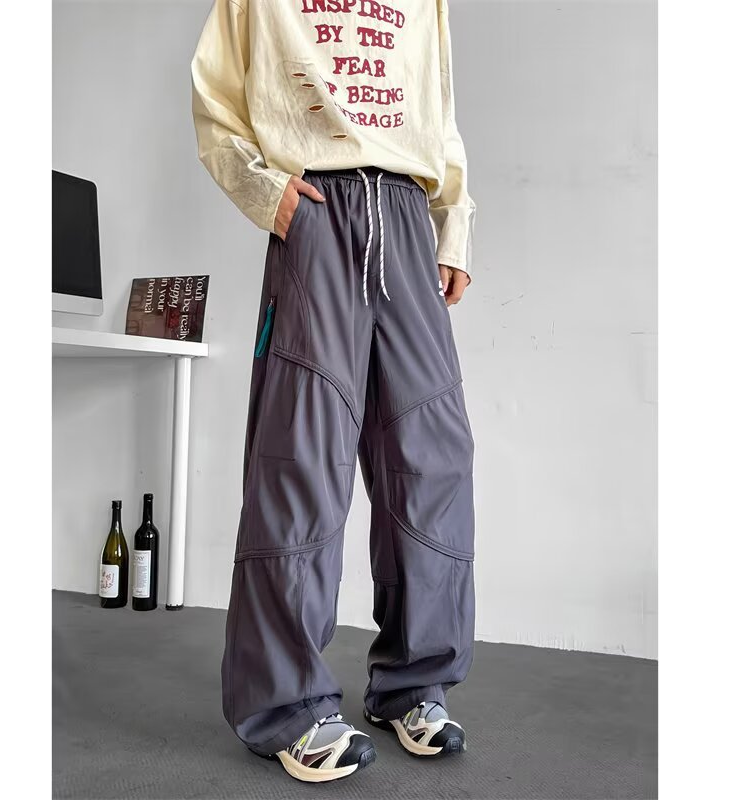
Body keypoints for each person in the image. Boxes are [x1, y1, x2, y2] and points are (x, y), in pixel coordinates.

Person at [191, 0, 476, 784]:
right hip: (316, 208)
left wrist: (452, 224)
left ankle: (415, 683)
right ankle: (286, 706)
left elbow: (438, 107)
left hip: (407, 213)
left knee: (433, 456)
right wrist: (265, 191)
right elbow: (216, 94)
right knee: (303, 457)